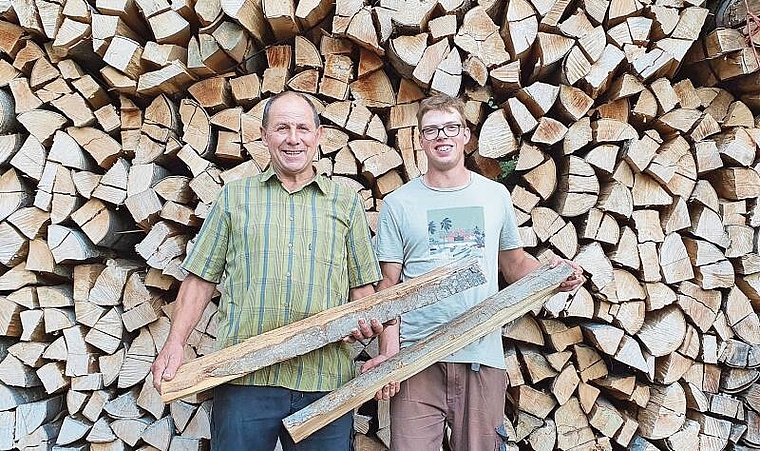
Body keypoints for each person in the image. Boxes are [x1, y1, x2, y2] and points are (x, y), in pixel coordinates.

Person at [151, 91, 385, 451]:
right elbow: (200, 278)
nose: (293, 138)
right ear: (264, 136)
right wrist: (175, 342)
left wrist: (368, 322)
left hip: (323, 380)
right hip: (245, 377)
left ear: (319, 136)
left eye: (303, 128)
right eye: (282, 128)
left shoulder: (345, 202)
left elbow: (361, 290)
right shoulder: (235, 197)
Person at [364, 94, 585, 451]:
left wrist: (552, 276)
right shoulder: (398, 204)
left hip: (481, 354)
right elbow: (389, 287)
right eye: (431, 130)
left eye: (451, 127)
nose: (442, 137)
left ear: (466, 134)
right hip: (417, 358)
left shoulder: (494, 195)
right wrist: (390, 354)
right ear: (419, 140)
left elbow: (514, 265)